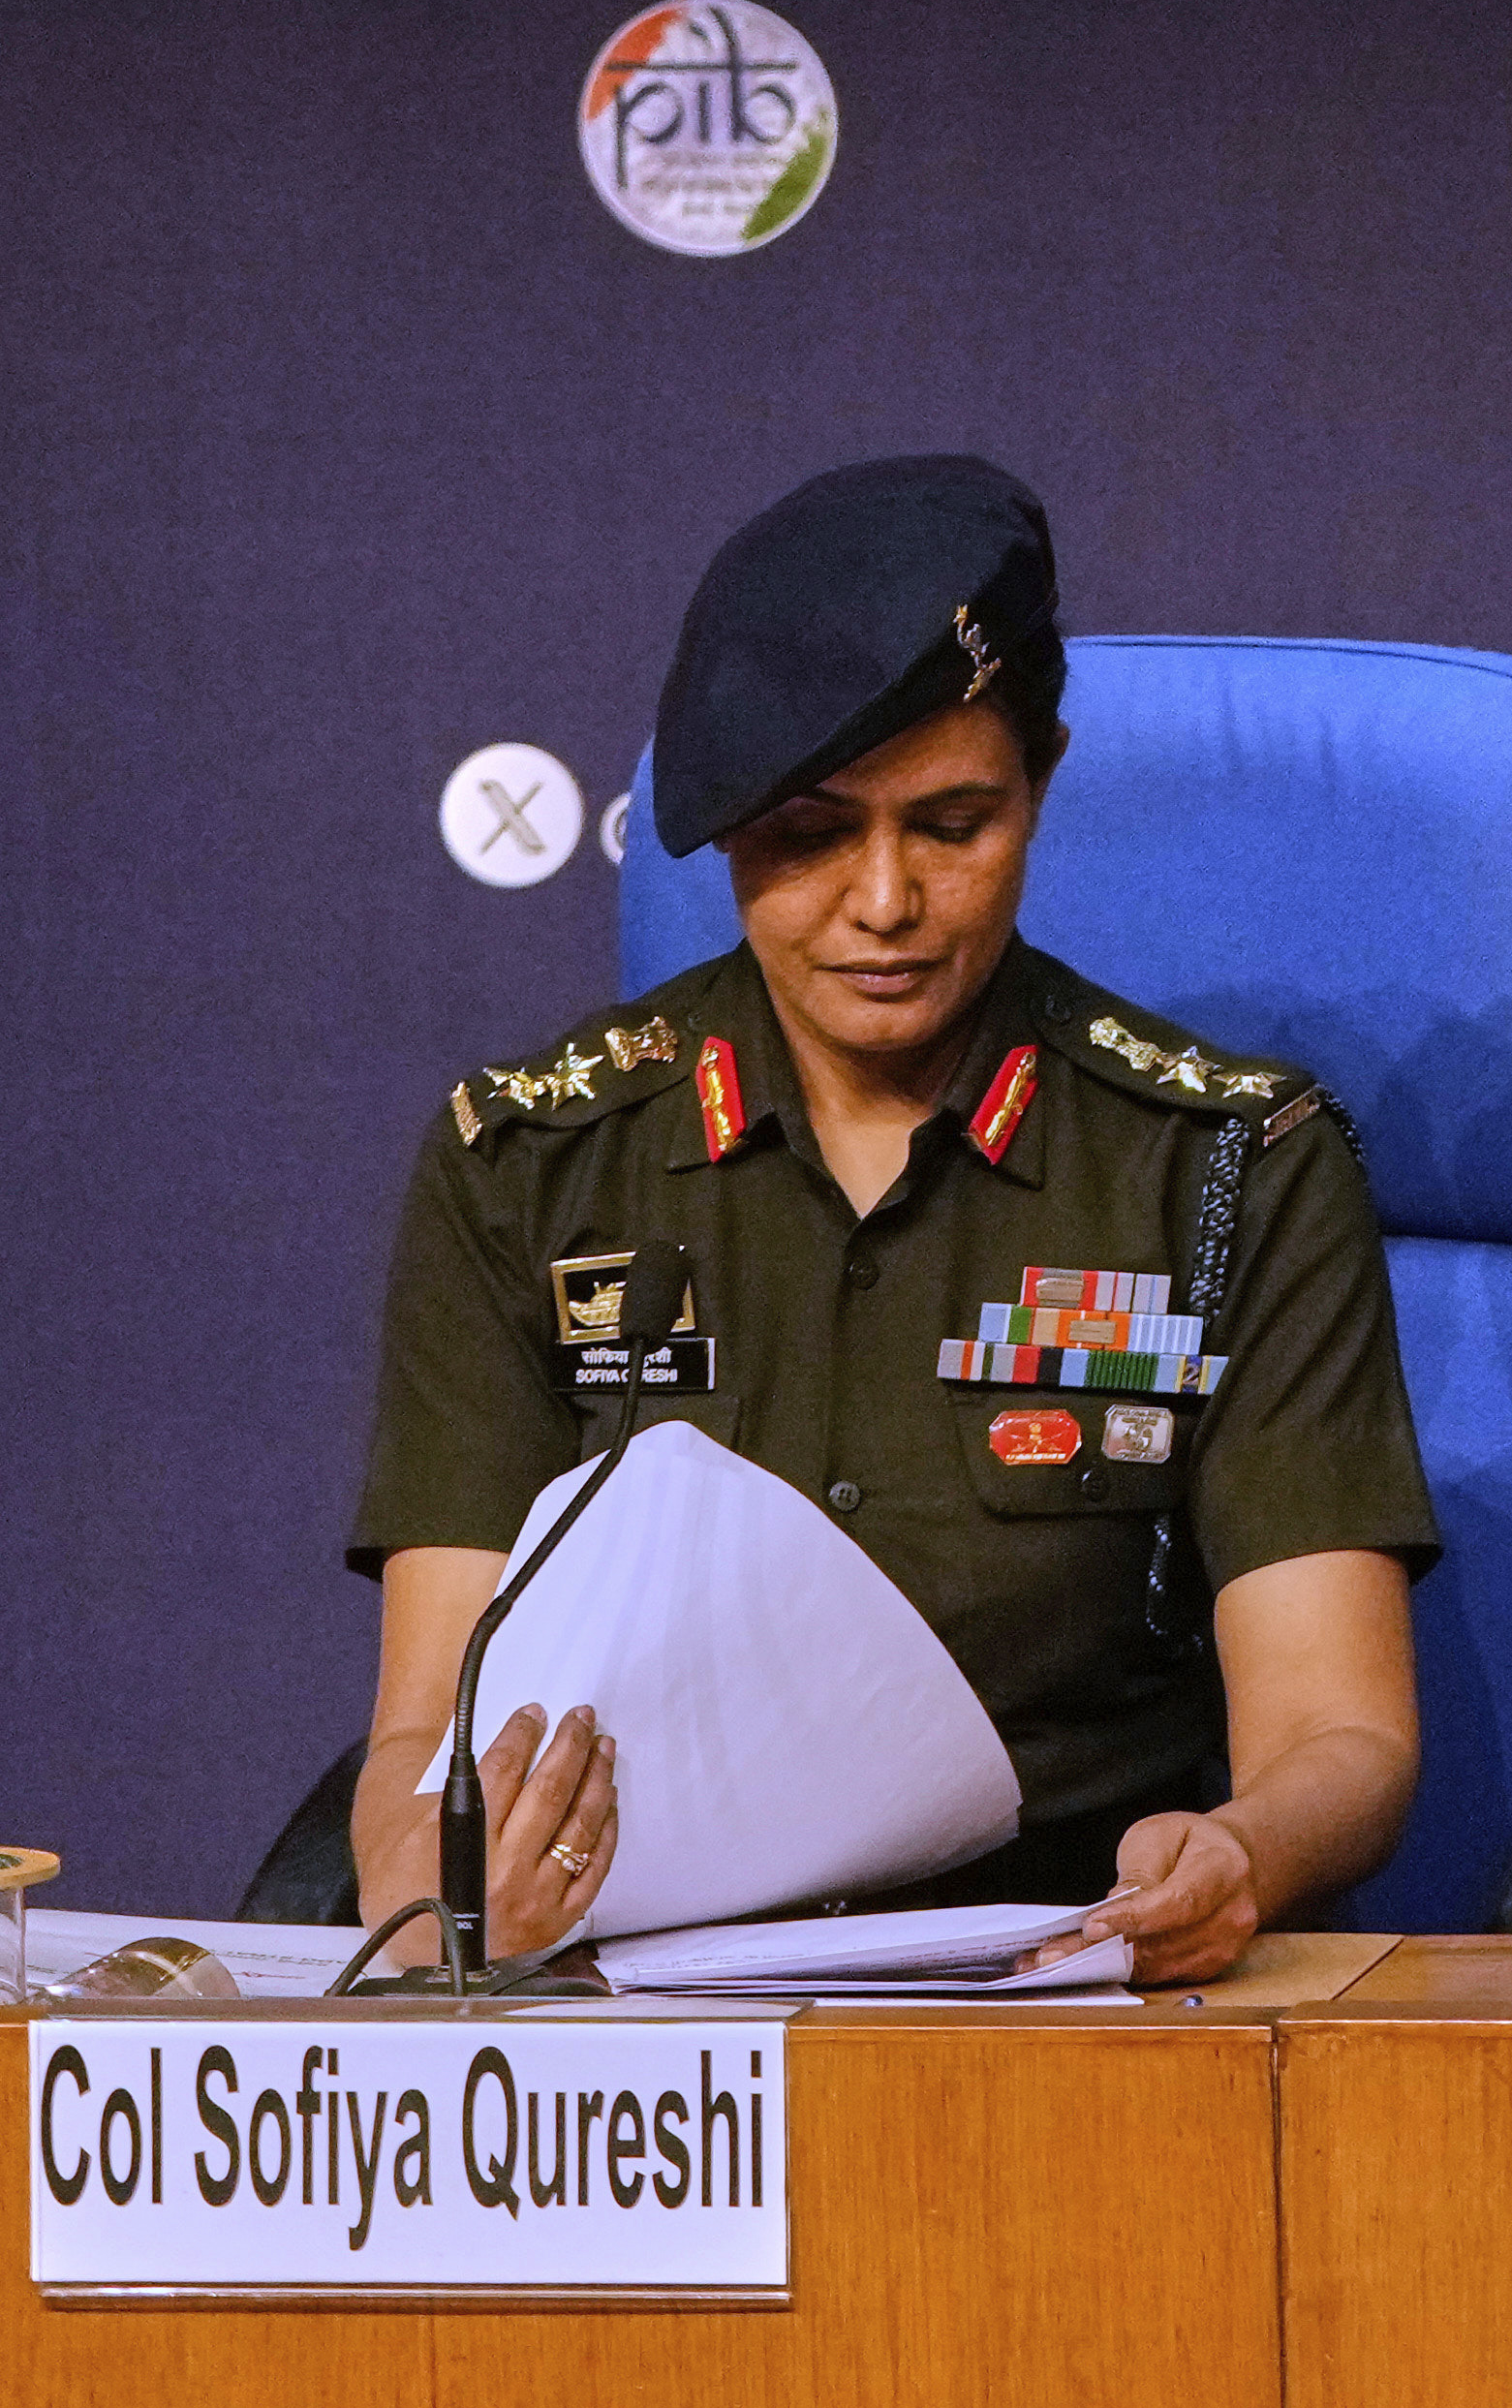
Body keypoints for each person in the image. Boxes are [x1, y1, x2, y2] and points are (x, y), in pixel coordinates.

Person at [344, 457, 1440, 1985]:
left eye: (952, 822)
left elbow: (1342, 1727)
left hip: (1067, 1992)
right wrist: (448, 1915)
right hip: (636, 2019)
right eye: (810, 831)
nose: (883, 899)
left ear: (1041, 783)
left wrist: (1241, 1851)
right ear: (725, 831)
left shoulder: (1231, 1167)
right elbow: (423, 1730)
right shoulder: (527, 1162)